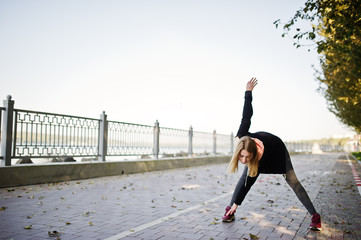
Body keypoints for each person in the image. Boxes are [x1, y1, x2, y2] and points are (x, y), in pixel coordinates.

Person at [221, 78, 321, 231]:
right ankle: (230, 210)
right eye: (241, 157)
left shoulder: (260, 158)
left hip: (277, 151)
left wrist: (237, 203)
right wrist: (248, 92)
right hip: (261, 149)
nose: (244, 160)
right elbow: (246, 115)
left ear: (253, 155)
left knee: (293, 182)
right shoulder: (242, 137)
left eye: (247, 157)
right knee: (243, 179)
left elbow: (249, 184)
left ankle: (315, 216)